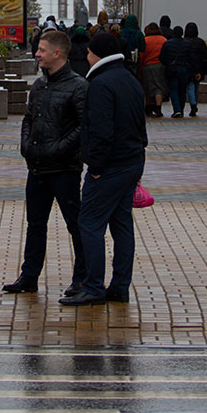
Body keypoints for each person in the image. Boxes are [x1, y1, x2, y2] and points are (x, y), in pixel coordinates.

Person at [61, 31, 148, 306]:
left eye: (88, 52)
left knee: (89, 224)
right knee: (122, 225)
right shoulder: (130, 79)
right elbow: (140, 126)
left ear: (95, 54)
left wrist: (96, 167)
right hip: (131, 162)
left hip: (109, 166)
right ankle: (119, 286)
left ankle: (93, 287)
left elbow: (100, 130)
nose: (85, 56)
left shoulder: (100, 84)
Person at [3, 28, 90, 295]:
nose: (37, 54)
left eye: (41, 50)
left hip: (64, 168)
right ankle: (29, 277)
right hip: (37, 167)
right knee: (35, 225)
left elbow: (83, 127)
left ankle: (81, 279)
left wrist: (57, 149)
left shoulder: (78, 86)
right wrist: (26, 145)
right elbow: (29, 118)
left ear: (57, 53)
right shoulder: (40, 85)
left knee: (75, 225)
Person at [160, 25, 195, 118]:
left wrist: (168, 64)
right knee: (182, 90)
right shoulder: (187, 44)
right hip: (185, 69)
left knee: (173, 90)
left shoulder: (167, 43)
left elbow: (162, 57)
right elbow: (191, 58)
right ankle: (181, 110)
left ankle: (177, 109)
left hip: (172, 69)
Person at [183, 21, 207, 117]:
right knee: (196, 87)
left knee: (190, 87)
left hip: (188, 67)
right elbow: (205, 55)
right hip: (199, 67)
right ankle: (195, 103)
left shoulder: (185, 42)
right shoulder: (200, 42)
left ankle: (193, 104)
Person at [140, 22, 167, 118]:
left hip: (147, 66)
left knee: (147, 87)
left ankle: (148, 108)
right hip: (160, 65)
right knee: (158, 88)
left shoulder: (145, 40)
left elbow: (141, 55)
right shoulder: (163, 40)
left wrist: (141, 65)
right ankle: (158, 108)